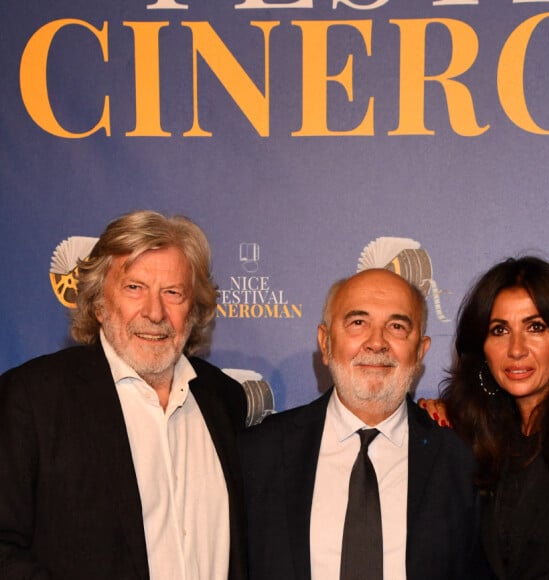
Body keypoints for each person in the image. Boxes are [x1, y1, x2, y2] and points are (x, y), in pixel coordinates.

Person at [0, 210, 248, 580]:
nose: (154, 312)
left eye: (173, 293)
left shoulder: (223, 399)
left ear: (193, 310)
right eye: (135, 288)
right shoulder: (32, 398)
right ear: (99, 303)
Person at [239, 268, 492, 580]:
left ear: (420, 350)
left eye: (397, 327)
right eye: (358, 323)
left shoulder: (461, 463)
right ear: (326, 342)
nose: (376, 343)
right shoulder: (258, 454)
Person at [423, 255, 549, 579]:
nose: (516, 349)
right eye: (499, 330)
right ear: (482, 348)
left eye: (536, 327)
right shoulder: (480, 442)